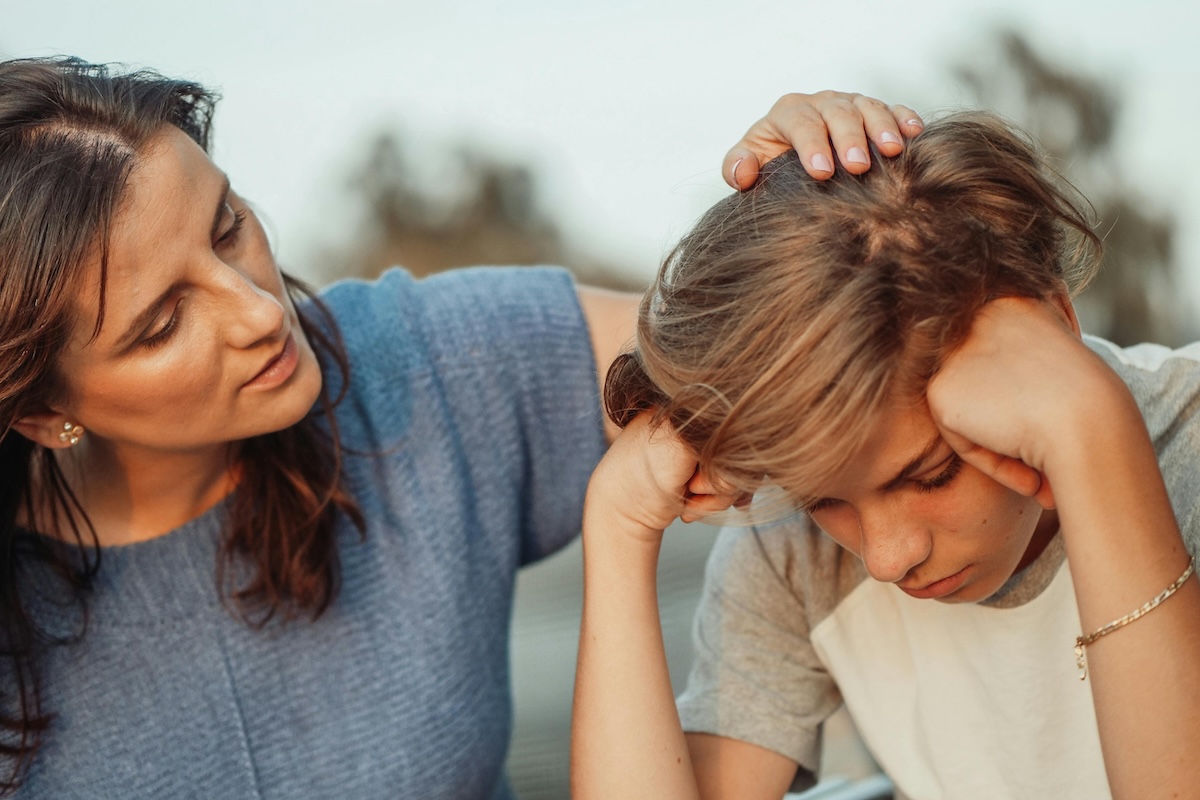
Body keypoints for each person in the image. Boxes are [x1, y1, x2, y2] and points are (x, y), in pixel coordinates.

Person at [0, 55, 924, 798]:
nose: (259, 312)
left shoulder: (423, 363)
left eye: (227, 226)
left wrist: (825, 210)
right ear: (44, 412)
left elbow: (773, 346)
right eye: (164, 323)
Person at [571, 111, 1200, 800]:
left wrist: (1093, 434)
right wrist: (618, 524)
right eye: (822, 499)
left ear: (1055, 325)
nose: (886, 558)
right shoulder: (792, 550)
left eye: (932, 475)